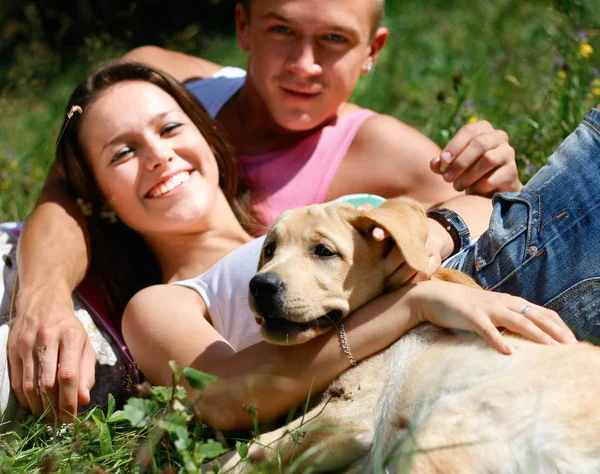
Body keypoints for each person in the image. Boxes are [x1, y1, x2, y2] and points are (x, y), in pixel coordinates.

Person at [12, 0, 520, 422]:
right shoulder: (161, 303)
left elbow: (491, 208)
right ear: (243, 26)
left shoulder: (382, 153)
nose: (304, 64)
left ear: (208, 136)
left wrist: (457, 215)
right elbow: (225, 394)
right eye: (281, 29)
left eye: (170, 130)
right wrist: (41, 298)